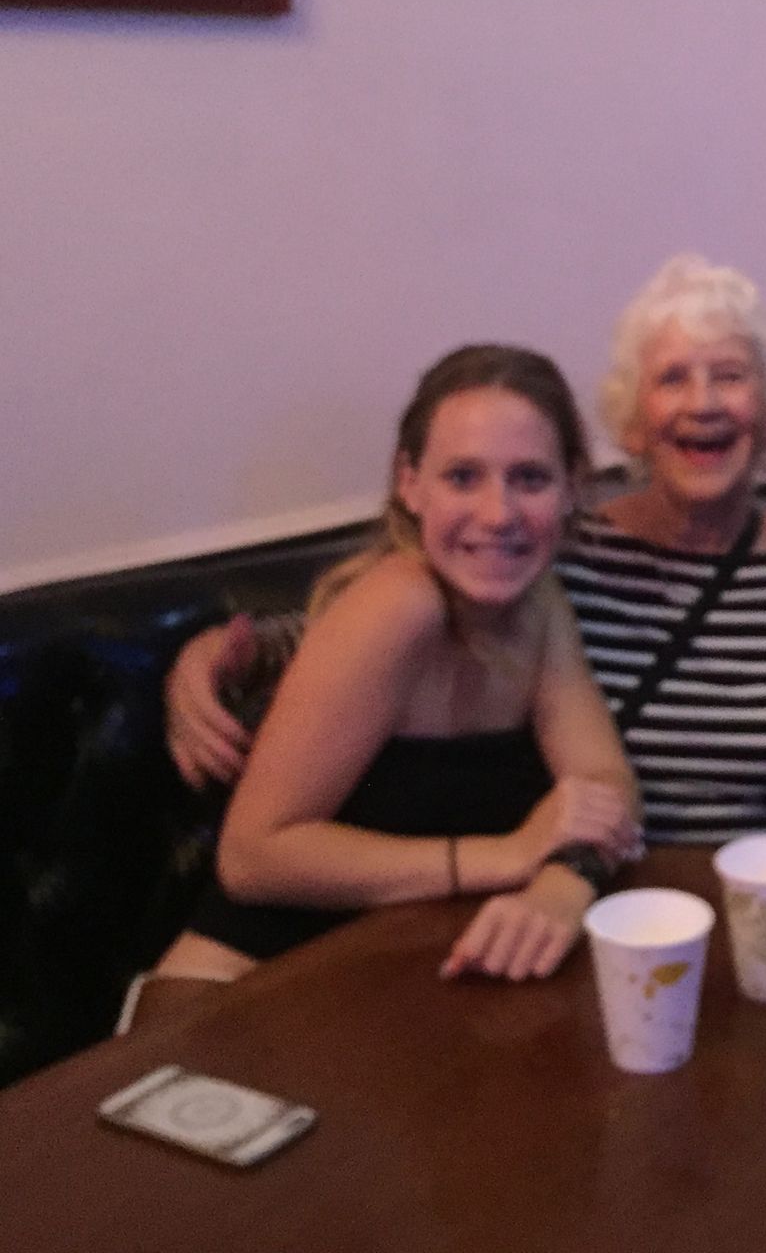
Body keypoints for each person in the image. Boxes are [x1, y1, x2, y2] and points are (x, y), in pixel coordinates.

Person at [164, 256, 766, 879]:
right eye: (673, 378)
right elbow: (372, 630)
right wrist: (218, 655)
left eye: (731, 376)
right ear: (633, 418)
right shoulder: (553, 550)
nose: (702, 403)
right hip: (594, 905)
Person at [149, 345, 640, 996]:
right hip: (237, 991)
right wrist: (506, 855)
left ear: (572, 487)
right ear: (410, 484)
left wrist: (561, 884)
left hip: (385, 987)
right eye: (462, 477)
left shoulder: (539, 604)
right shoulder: (400, 602)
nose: (499, 514)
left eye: (530, 478)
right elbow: (250, 857)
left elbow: (606, 782)